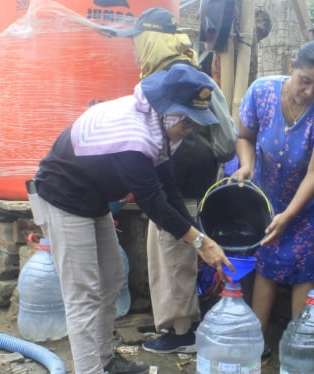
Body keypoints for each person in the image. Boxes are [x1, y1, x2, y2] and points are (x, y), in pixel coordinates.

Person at [32, 64, 234, 374]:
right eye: (188, 123)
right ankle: (90, 370)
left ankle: (105, 360)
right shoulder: (136, 134)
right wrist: (199, 242)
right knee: (82, 292)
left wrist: (200, 236)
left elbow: (170, 190)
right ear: (170, 113)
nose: (190, 130)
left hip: (93, 197)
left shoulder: (161, 128)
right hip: (63, 196)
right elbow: (153, 202)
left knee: (111, 278)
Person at [109, 7, 237, 353]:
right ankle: (177, 327)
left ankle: (183, 333)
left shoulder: (177, 78)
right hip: (179, 184)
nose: (135, 49)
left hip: (183, 185)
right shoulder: (185, 72)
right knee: (168, 260)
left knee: (174, 259)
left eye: (139, 40)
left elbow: (221, 142)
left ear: (151, 41)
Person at [229, 39, 314, 356]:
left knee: (304, 278)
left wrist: (291, 214)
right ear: (292, 65)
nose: (308, 92)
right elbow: (244, 137)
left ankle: (296, 353)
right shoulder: (262, 91)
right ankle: (255, 346)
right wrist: (248, 165)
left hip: (311, 206)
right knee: (267, 268)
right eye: (304, 80)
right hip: (270, 199)